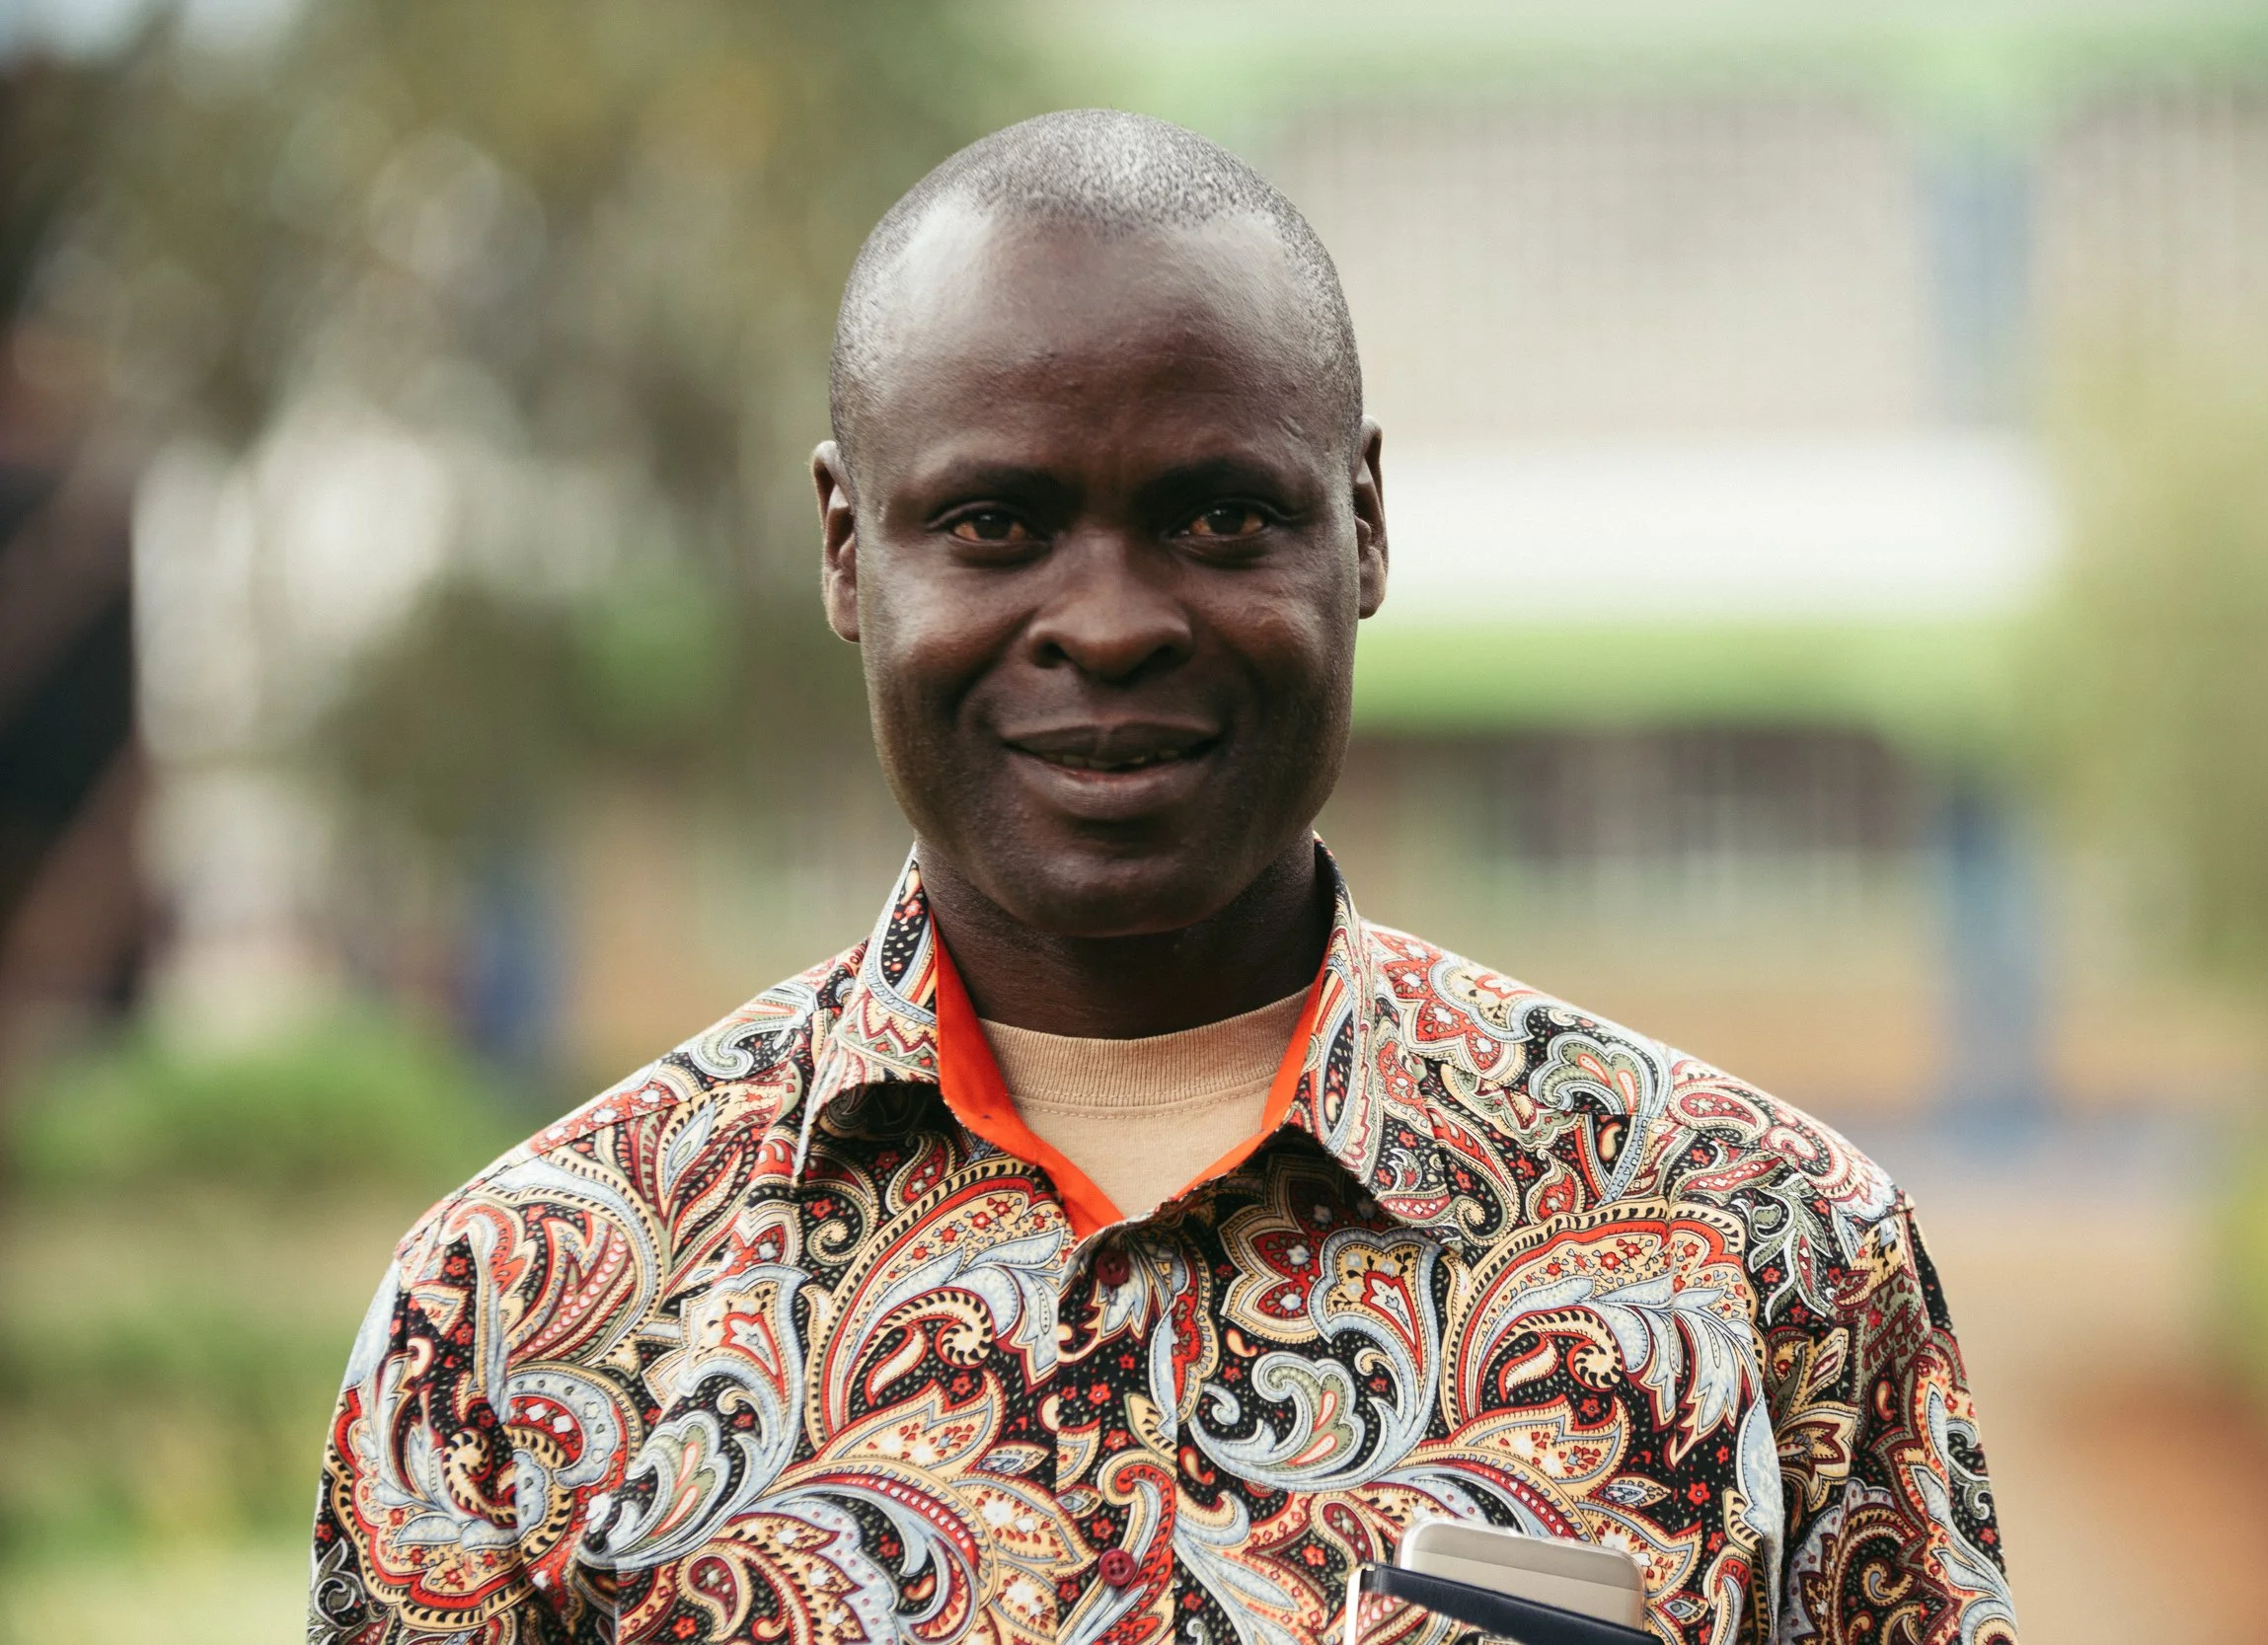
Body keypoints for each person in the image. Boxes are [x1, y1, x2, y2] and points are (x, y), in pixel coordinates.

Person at [310, 110, 2014, 1645]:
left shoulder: (1757, 1250)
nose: (1111, 619)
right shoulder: (516, 1320)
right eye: (994, 523)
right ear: (848, 548)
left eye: (1217, 518)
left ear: (1362, 530)